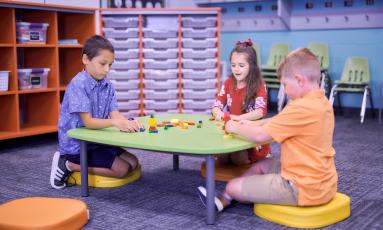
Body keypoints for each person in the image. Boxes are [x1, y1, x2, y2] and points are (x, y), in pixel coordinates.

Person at [198, 48, 338, 211]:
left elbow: (260, 137)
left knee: (232, 186)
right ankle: (241, 193)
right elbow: (276, 121)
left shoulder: (299, 108)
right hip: (323, 182)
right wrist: (251, 124)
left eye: (285, 84)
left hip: (301, 188)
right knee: (264, 165)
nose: (285, 90)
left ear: (299, 80)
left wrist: (233, 126)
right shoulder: (321, 102)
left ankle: (225, 198)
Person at [50, 35, 144, 189]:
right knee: (122, 169)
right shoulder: (78, 84)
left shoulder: (108, 86)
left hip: (97, 141)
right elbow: (88, 122)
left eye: (110, 65)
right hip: (78, 146)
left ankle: (77, 163)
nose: (107, 69)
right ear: (86, 59)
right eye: (103, 64)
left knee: (133, 162)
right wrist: (115, 122)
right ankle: (68, 165)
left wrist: (127, 122)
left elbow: (115, 115)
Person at [211, 38, 270, 166]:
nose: (236, 69)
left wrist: (238, 118)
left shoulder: (259, 84)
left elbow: (260, 111)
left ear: (252, 66)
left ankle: (251, 161)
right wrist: (218, 113)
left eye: (241, 66)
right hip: (232, 130)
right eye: (233, 65)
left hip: (249, 133)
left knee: (238, 159)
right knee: (222, 158)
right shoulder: (228, 83)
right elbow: (216, 106)